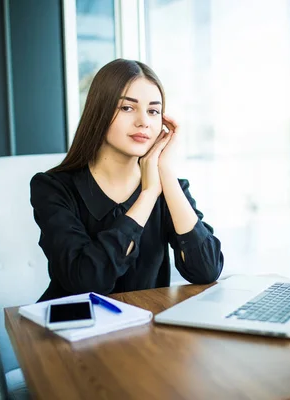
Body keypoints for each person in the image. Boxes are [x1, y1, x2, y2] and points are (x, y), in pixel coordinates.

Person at [30, 58, 224, 302]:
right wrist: (147, 195)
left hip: (145, 330)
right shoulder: (53, 188)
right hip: (74, 331)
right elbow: (87, 282)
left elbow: (207, 270)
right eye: (127, 108)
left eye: (153, 111)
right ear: (99, 112)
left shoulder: (169, 187)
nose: (144, 121)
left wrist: (165, 171)